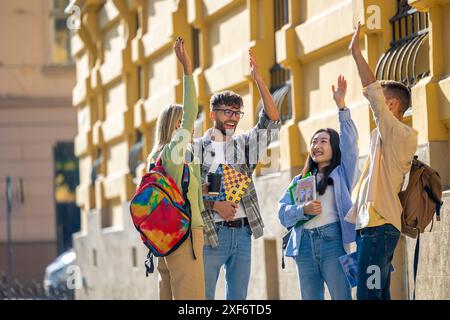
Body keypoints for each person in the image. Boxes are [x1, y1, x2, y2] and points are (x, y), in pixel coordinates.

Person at [197, 49, 281, 300]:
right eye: (227, 112)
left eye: (237, 113)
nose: (233, 118)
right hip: (212, 234)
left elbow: (272, 122)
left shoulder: (243, 145)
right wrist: (216, 204)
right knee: (203, 299)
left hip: (243, 233)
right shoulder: (195, 149)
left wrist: (258, 80)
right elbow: (185, 195)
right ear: (213, 114)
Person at [346, 22, 418, 300]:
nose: (373, 106)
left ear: (391, 106)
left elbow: (371, 90)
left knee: (369, 295)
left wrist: (356, 52)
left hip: (378, 229)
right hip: (371, 228)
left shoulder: (398, 133)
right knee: (377, 294)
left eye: (380, 103)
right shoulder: (385, 136)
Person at [278, 75, 358, 300]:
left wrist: (342, 107)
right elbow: (282, 214)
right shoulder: (300, 180)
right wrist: (302, 210)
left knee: (342, 296)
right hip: (303, 246)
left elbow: (350, 145)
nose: (317, 145)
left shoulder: (342, 173)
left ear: (334, 147)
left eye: (323, 141)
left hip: (333, 242)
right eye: (314, 142)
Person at [147, 37, 205, 300]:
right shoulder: (173, 152)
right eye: (182, 123)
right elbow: (192, 111)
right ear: (174, 126)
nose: (189, 127)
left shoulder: (156, 158)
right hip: (184, 238)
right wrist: (187, 70)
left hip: (162, 241)